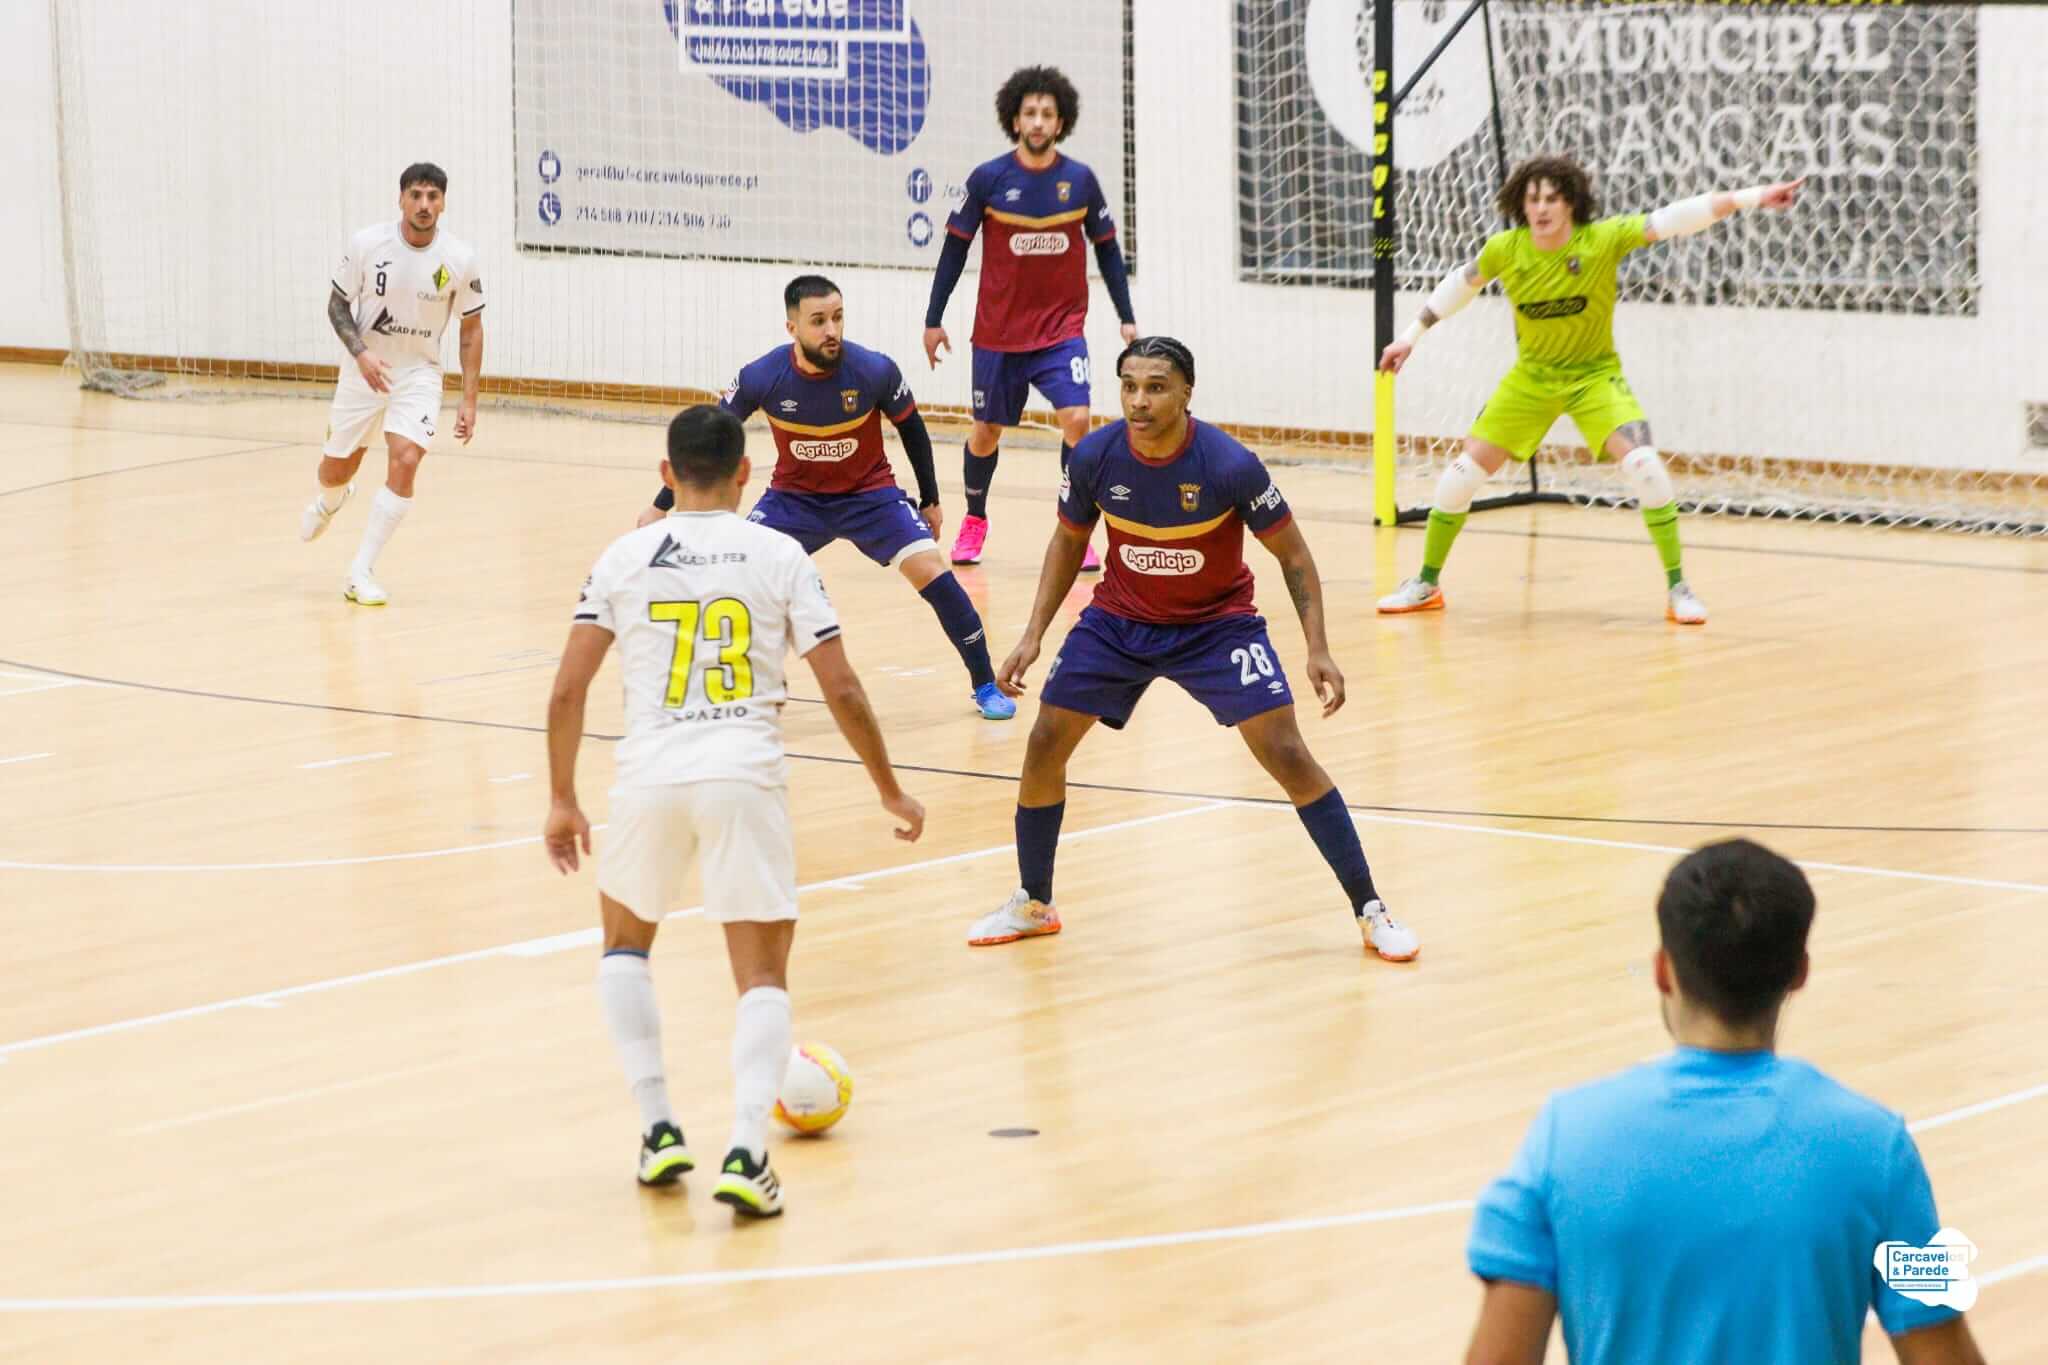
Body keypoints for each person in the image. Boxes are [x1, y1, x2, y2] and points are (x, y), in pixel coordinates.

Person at [546, 405, 925, 1219]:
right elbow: (843, 685)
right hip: (742, 776)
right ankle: (748, 1151)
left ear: (665, 471)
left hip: (648, 775)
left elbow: (568, 688)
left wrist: (561, 796)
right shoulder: (778, 552)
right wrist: (888, 787)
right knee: (760, 975)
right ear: (746, 473)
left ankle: (657, 1129)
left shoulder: (622, 556)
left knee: (624, 948)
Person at [965, 336, 1419, 963]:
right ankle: (1033, 903)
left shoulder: (1229, 464)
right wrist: (1033, 633)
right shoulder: (1095, 455)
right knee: (1044, 742)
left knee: (1287, 753)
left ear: (1185, 393)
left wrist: (1318, 647)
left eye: (1155, 387)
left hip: (1217, 627)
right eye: (1129, 386)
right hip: (1119, 622)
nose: (1139, 400)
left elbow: (1294, 556)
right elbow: (1068, 542)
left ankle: (1370, 909)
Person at [1462, 838, 1985, 1365]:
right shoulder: (1879, 1148)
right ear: (1799, 973)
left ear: (1664, 970)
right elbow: (1942, 1352)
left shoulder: (1562, 1138)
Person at [1376, 156, 1807, 625]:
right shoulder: (1507, 247)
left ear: (1571, 203)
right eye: (1532, 198)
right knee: (1460, 474)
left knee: (1646, 467)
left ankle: (1678, 587)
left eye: (1552, 198)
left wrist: (1754, 196)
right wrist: (1410, 336)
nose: (1541, 208)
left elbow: (1677, 217)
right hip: (1532, 379)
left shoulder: (1602, 239)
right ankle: (1426, 583)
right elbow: (1461, 283)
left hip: (1594, 376)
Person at [640, 276, 1016, 720]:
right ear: (792, 328)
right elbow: (708, 438)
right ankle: (760, 677)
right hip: (793, 500)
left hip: (870, 495)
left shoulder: (875, 370)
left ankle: (985, 683)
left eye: (837, 318)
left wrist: (930, 500)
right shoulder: (762, 376)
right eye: (818, 321)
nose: (831, 330)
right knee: (736, 571)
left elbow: (912, 429)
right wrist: (662, 503)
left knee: (932, 571)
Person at [922, 64, 1138, 571]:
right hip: (998, 335)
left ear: (1060, 123)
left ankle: (1075, 527)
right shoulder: (989, 179)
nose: (1038, 122)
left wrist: (1126, 317)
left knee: (1079, 421)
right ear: (1015, 121)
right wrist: (933, 319)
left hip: (1061, 333)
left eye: (1047, 114)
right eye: (1029, 113)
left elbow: (1107, 252)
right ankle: (975, 519)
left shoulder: (1081, 181)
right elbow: (954, 252)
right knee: (986, 433)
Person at [301, 162, 484, 607]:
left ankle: (360, 570)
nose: (424, 205)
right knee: (334, 469)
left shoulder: (459, 259)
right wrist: (361, 354)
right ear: (401, 199)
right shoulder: (368, 244)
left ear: (443, 202)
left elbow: (471, 329)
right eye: (416, 195)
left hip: (418, 375)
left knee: (405, 459)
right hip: (364, 372)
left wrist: (470, 401)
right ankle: (333, 497)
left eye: (433, 197)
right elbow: (336, 306)